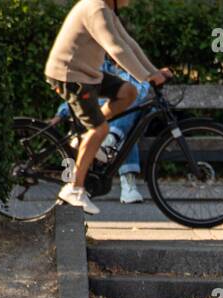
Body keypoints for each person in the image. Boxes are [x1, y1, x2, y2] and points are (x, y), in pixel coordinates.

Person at [44, 0, 171, 213]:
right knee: (100, 129)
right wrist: (147, 77)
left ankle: (85, 139)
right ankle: (74, 188)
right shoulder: (96, 8)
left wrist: (153, 72)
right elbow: (116, 49)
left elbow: (128, 43)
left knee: (128, 92)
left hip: (89, 75)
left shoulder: (108, 10)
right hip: (71, 75)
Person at [55, 59, 150, 204]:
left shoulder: (134, 69)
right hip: (98, 120)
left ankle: (109, 141)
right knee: (121, 117)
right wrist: (60, 114)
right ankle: (128, 183)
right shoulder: (97, 66)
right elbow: (79, 94)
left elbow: (138, 95)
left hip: (125, 120)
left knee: (129, 107)